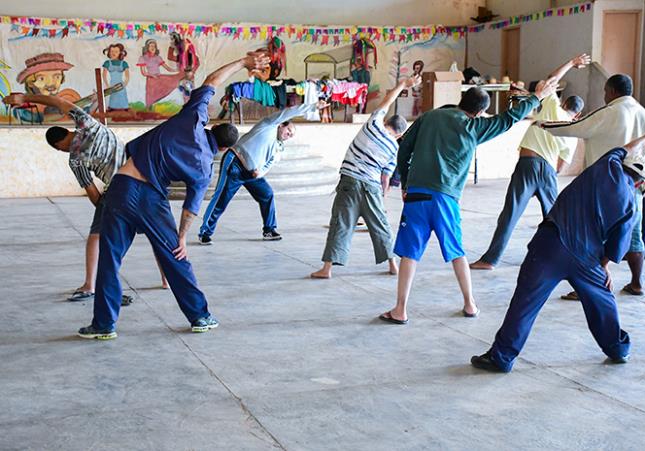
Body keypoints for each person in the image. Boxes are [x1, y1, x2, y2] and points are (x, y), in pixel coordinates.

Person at [75, 52, 267, 339]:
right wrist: (181, 238)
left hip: (119, 187)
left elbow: (213, 79)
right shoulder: (204, 169)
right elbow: (191, 210)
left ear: (211, 125)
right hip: (150, 197)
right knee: (174, 257)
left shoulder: (193, 117)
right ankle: (200, 316)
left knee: (110, 259)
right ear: (225, 150)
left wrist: (243, 62)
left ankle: (104, 325)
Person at [470, 129, 645, 373]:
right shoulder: (631, 205)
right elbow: (617, 247)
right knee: (602, 303)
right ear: (643, 183)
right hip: (588, 260)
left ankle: (501, 357)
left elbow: (626, 149)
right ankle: (618, 348)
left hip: (549, 246)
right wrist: (603, 268)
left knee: (525, 303)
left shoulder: (605, 166)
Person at [378, 77, 560, 325]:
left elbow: (404, 147)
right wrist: (535, 97)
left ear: (461, 100)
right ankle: (469, 303)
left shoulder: (429, 117)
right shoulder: (474, 127)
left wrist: (406, 182)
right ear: (481, 112)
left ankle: (400, 309)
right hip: (446, 198)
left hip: (417, 195)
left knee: (409, 254)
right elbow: (509, 119)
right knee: (456, 252)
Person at [2, 92, 167, 303]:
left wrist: (103, 208)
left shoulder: (75, 160)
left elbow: (91, 191)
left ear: (58, 147)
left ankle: (89, 284)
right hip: (143, 181)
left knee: (96, 237)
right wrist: (25, 96)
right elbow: (59, 102)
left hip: (117, 191)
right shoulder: (88, 123)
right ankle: (166, 279)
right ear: (67, 131)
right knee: (158, 235)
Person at [542, 74, 645, 298]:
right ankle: (636, 283)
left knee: (594, 235)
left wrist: (543, 125)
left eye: (605, 91)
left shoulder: (609, 113)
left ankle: (587, 286)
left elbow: (576, 126)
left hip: (608, 185)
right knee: (633, 233)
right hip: (636, 184)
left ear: (612, 91)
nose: (605, 96)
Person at [470, 54, 590, 270]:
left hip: (528, 165)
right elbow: (561, 167)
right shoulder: (572, 131)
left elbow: (550, 80)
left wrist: (571, 63)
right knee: (554, 219)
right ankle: (566, 258)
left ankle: (490, 259)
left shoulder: (554, 108)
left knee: (510, 215)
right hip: (547, 171)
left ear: (564, 102)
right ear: (578, 113)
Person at [310, 75, 421, 280]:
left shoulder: (372, 125)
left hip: (349, 183)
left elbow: (387, 101)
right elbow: (385, 178)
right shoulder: (393, 149)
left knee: (341, 224)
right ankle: (392, 265)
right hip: (372, 187)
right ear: (399, 134)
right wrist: (382, 197)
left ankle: (327, 269)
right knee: (380, 225)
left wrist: (402, 84)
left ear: (387, 121)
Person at [197, 101, 324, 244]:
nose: (289, 135)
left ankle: (269, 230)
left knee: (267, 194)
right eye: (289, 131)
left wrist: (260, 173)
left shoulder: (278, 148)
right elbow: (289, 112)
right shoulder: (269, 125)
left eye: (291, 135)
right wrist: (312, 106)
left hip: (252, 174)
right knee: (221, 199)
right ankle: (205, 232)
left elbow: (269, 164)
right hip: (235, 164)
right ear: (282, 124)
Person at [102, 43, 130, 111]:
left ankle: (124, 108)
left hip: (121, 84)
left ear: (120, 53)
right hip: (112, 84)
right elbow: (104, 75)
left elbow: (127, 76)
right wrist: (107, 85)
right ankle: (112, 108)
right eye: (112, 51)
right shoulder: (107, 63)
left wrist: (124, 84)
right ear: (109, 52)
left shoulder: (124, 63)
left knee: (122, 96)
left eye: (116, 51)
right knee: (113, 97)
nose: (113, 53)